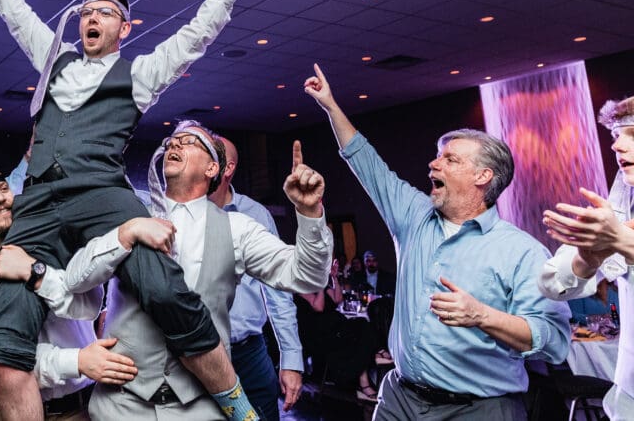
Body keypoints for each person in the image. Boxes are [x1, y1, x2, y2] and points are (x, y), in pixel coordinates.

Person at [0, 0, 283, 421]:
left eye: (105, 12)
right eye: (87, 11)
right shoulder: (53, 60)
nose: (92, 17)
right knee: (5, 342)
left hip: (102, 193)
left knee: (160, 283)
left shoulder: (139, 73)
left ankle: (237, 405)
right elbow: (15, 12)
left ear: (125, 28)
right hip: (39, 200)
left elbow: (197, 34)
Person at [0, 121, 331, 419]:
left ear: (212, 167)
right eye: (172, 140)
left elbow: (307, 276)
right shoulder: (125, 212)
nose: (174, 144)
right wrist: (124, 234)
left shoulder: (238, 228)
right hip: (119, 405)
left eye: (189, 141)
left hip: (201, 406)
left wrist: (310, 214)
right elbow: (76, 280)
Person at [304, 63, 570, 419]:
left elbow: (553, 340)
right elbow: (368, 164)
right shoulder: (414, 217)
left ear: (482, 176)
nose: (434, 164)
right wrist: (331, 106)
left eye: (450, 158)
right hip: (399, 399)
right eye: (437, 154)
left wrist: (483, 316)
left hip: (478, 409)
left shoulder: (520, 251)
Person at [0, 166, 177, 420]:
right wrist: (78, 361)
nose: (0, 198)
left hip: (83, 407)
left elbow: (89, 305)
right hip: (11, 412)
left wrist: (36, 273)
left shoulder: (53, 242)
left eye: (3, 188)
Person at [538, 96, 634, 417]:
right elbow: (551, 283)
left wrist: (622, 241)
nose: (617, 146)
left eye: (631, 134)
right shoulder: (616, 215)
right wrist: (586, 259)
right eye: (614, 136)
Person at [206, 136, 306, 420]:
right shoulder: (179, 215)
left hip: (249, 352)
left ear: (226, 168)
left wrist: (291, 359)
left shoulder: (255, 214)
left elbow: (279, 293)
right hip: (198, 355)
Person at [294, 258, 379, 402]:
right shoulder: (301, 287)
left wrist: (334, 278)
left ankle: (364, 376)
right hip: (319, 335)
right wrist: (321, 284)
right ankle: (363, 381)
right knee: (359, 335)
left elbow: (338, 299)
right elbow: (319, 307)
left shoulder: (323, 284)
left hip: (335, 327)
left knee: (363, 324)